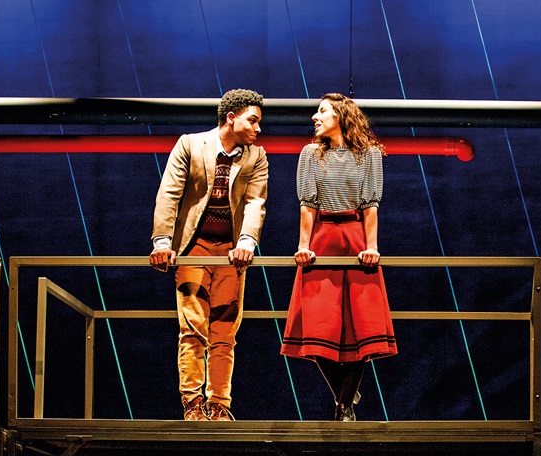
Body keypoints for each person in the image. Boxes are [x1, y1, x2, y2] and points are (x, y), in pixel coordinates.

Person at [150, 88, 268, 421]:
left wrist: (246, 241)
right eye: (253, 120)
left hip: (231, 252)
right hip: (194, 248)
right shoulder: (190, 144)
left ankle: (219, 404)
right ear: (231, 118)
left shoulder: (255, 156)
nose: (258, 129)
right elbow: (169, 194)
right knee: (192, 327)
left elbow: (255, 202)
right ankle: (192, 404)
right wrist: (162, 241)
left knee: (225, 331)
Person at [280, 93, 397, 421]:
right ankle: (345, 392)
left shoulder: (369, 154)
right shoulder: (309, 154)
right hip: (323, 240)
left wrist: (371, 247)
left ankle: (344, 406)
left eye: (322, 111)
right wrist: (304, 246)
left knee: (362, 325)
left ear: (342, 117)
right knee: (318, 325)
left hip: (355, 237)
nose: (315, 117)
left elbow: (371, 206)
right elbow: (307, 205)